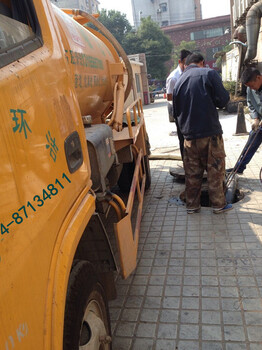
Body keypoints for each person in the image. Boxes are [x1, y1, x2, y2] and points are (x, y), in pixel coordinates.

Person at [173, 53, 232, 214]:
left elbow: (176, 114)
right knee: (215, 169)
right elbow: (223, 99)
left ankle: (192, 206)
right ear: (202, 63)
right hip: (210, 133)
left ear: (186, 64)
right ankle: (219, 205)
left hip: (189, 137)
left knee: (192, 173)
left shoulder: (178, 82)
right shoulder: (208, 73)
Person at [227, 67, 262, 175]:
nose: (251, 88)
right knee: (251, 141)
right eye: (249, 87)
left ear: (259, 78)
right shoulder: (250, 89)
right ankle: (239, 168)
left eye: (252, 85)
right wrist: (256, 118)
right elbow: (250, 103)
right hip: (260, 121)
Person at [166, 49, 191, 158]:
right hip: (180, 112)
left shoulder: (190, 73)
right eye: (186, 61)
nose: (188, 64)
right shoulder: (173, 77)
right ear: (180, 61)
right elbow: (169, 96)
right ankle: (185, 162)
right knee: (183, 138)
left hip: (191, 111)